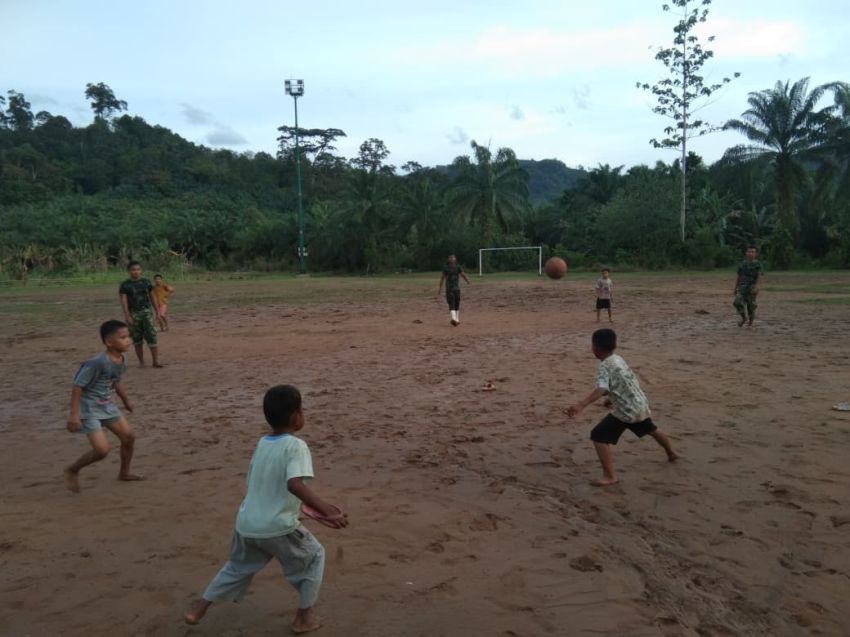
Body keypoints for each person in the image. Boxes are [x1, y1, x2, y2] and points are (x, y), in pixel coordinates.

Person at [184, 385, 348, 635]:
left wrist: (303, 511)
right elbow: (294, 484)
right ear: (296, 416)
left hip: (247, 524)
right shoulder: (296, 446)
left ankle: (199, 608)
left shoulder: (263, 443)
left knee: (236, 567)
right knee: (314, 557)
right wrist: (327, 510)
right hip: (276, 527)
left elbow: (262, 486)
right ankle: (304, 618)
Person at [567, 329, 677, 486]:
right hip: (639, 403)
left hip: (627, 410)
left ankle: (610, 476)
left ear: (595, 348)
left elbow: (602, 389)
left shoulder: (603, 366)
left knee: (598, 435)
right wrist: (611, 399)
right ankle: (671, 453)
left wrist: (581, 405)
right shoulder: (618, 359)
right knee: (650, 428)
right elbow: (622, 382)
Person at [64, 320, 143, 493]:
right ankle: (73, 469)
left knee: (129, 437)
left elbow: (115, 381)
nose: (128, 340)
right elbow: (77, 386)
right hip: (90, 410)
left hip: (108, 406)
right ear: (109, 342)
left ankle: (124, 473)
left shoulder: (121, 358)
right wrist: (74, 415)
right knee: (102, 450)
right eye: (123, 337)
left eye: (128, 336)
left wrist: (126, 400)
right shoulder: (97, 362)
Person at [119, 261, 162, 367]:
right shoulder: (125, 285)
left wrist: (158, 312)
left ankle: (155, 362)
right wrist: (127, 316)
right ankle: (141, 362)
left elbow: (152, 297)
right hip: (133, 314)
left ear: (141, 270)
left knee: (152, 337)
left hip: (147, 313)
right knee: (137, 340)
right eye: (133, 269)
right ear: (129, 271)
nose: (136, 272)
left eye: (138, 269)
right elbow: (124, 301)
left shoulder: (146, 282)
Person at [733, 247, 763, 327]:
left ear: (755, 254)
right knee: (737, 302)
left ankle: (750, 322)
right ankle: (743, 318)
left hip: (751, 287)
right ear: (746, 253)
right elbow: (739, 276)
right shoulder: (743, 264)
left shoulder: (758, 264)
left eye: (753, 252)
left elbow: (759, 276)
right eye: (749, 252)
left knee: (751, 306)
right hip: (742, 286)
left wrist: (756, 287)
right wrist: (735, 288)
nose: (751, 253)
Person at [438, 254, 471, 326]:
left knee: (457, 303)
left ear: (455, 259)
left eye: (453, 258)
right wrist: (440, 288)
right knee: (451, 302)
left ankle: (457, 319)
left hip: (457, 289)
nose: (452, 259)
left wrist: (467, 281)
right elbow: (442, 278)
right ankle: (453, 318)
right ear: (448, 260)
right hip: (449, 289)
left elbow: (463, 275)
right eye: (450, 258)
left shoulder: (458, 267)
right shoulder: (446, 268)